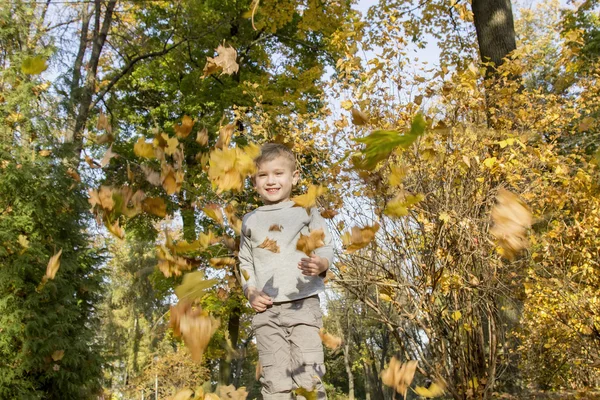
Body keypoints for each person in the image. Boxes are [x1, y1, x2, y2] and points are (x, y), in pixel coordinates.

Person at [238, 143, 333, 400]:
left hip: (303, 306)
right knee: (275, 382)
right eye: (263, 175)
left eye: (278, 173)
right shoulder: (250, 220)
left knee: (308, 380)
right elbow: (245, 261)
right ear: (254, 181)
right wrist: (251, 290)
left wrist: (322, 264)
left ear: (294, 177)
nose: (271, 181)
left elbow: (324, 246)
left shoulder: (305, 210)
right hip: (267, 313)